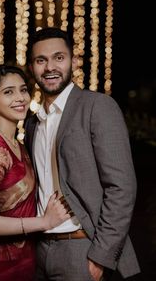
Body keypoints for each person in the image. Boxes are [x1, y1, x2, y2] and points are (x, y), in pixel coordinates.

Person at [24, 27, 141, 281]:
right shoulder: (32, 123)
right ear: (31, 66)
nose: (49, 67)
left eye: (59, 57)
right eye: (40, 60)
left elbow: (122, 187)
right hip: (40, 251)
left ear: (74, 61)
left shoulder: (97, 107)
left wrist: (100, 256)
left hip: (82, 249)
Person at [0, 64, 70, 281]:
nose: (20, 97)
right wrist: (44, 222)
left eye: (23, 89)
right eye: (8, 92)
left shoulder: (16, 144)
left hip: (24, 262)